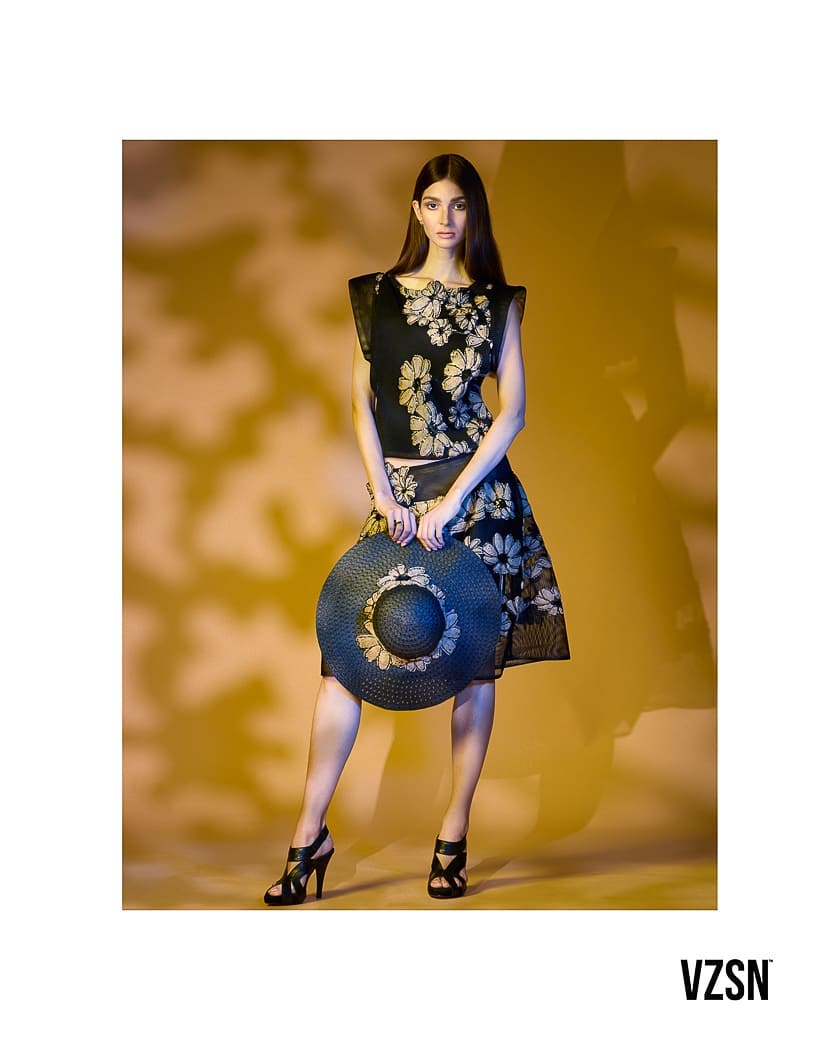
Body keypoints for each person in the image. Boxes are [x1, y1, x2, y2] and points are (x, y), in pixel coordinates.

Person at [264, 154, 570, 906]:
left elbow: (513, 412)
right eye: (432, 203)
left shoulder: (497, 303)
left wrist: (453, 502)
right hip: (398, 501)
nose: (445, 218)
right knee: (345, 663)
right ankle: (309, 834)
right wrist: (383, 491)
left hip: (476, 502)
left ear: (474, 214)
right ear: (415, 210)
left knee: (474, 670)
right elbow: (360, 401)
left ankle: (453, 834)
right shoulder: (376, 295)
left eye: (458, 204)